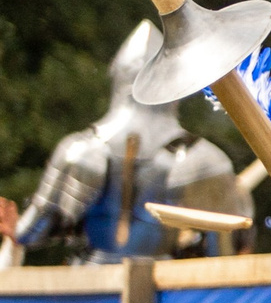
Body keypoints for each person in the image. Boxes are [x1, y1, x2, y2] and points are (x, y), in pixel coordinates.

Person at [1, 21, 250, 265]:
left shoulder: (80, 149)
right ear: (174, 84)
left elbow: (29, 232)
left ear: (118, 76)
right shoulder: (204, 159)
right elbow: (223, 260)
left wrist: (14, 227)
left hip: (91, 286)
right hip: (164, 288)